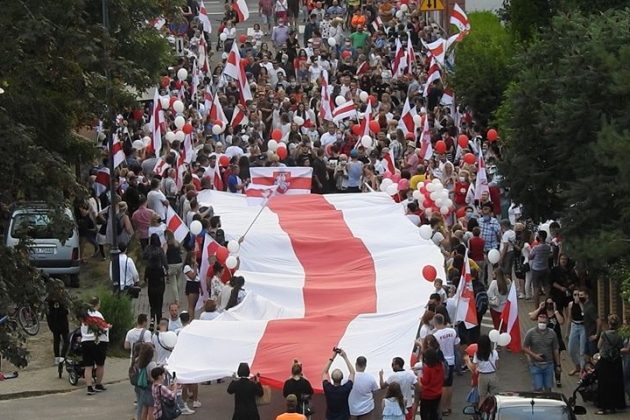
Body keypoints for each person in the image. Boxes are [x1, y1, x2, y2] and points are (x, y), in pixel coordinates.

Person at [529, 297, 565, 386]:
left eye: (551, 304)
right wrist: (540, 308)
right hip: (543, 340)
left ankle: (558, 378)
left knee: (556, 360)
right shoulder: (542, 313)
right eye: (547, 303)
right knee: (545, 359)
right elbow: (532, 317)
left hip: (555, 339)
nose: (549, 305)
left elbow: (561, 322)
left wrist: (556, 311)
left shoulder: (556, 312)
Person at [594, 314, 627, 415]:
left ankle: (603, 407)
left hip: (605, 361)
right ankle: (613, 406)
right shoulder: (620, 335)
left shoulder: (604, 334)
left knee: (604, 384)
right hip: (616, 361)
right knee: (614, 384)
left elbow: (599, 346)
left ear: (609, 323)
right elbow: (621, 346)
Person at [522, 312, 560, 392]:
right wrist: (534, 355)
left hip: (549, 365)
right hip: (535, 365)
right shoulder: (531, 333)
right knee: (537, 389)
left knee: (548, 389)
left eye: (543, 322)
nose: (542, 324)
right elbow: (524, 347)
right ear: (537, 322)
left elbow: (555, 349)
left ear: (547, 322)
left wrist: (558, 365)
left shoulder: (552, 333)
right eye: (540, 322)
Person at [431, 313, 459, 417]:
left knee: (443, 386)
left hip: (442, 362)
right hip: (451, 360)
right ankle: (449, 405)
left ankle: (443, 408)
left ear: (435, 322)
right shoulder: (452, 331)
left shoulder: (435, 335)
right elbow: (457, 344)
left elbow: (433, 350)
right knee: (449, 385)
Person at [80, 296, 109, 396]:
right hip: (98, 341)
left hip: (85, 341)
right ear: (97, 304)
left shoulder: (84, 315)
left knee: (88, 366)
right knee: (100, 364)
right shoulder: (98, 315)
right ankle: (98, 384)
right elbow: (103, 328)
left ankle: (89, 387)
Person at [323, 348, 356, 420]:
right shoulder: (346, 389)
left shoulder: (327, 388)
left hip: (330, 417)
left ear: (331, 378)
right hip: (344, 417)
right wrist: (345, 357)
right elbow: (352, 373)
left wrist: (333, 356)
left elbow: (325, 372)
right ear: (342, 378)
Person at [143, 233, 168, 324]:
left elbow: (144, 257)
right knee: (159, 301)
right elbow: (165, 262)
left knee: (152, 302)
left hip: (150, 275)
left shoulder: (148, 249)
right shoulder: (160, 250)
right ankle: (159, 321)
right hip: (159, 276)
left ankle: (152, 319)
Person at [46, 279, 70, 365]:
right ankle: (62, 358)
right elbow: (62, 311)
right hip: (62, 323)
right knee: (66, 340)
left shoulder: (48, 300)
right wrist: (67, 311)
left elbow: (48, 313)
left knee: (57, 340)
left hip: (54, 323)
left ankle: (57, 358)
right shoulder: (61, 299)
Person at [416, 347, 444, 420]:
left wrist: (419, 378)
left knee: (425, 414)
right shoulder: (440, 365)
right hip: (438, 393)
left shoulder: (428, 369)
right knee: (434, 413)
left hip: (427, 395)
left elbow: (424, 381)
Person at [472, 335, 499, 406]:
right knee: (494, 397)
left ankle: (481, 413)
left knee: (482, 397)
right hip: (492, 375)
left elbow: (474, 368)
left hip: (482, 376)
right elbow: (497, 366)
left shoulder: (477, 354)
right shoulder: (494, 352)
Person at [529, 230, 552, 308]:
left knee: (536, 289)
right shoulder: (548, 247)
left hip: (536, 269)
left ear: (540, 237)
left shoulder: (536, 248)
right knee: (546, 287)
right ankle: (548, 305)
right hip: (545, 268)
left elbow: (530, 257)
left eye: (538, 235)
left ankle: (536, 308)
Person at [133, 343, 157, 420]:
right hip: (150, 387)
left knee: (145, 408)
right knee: (151, 409)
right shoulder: (152, 364)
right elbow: (152, 378)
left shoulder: (139, 361)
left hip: (142, 386)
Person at [165, 230, 182, 305]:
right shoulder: (177, 243)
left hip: (171, 264)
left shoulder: (166, 245)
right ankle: (177, 296)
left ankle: (177, 300)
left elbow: (164, 255)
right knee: (178, 280)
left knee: (173, 283)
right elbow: (181, 252)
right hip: (179, 263)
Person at [182, 251, 201, 317]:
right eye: (193, 258)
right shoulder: (187, 267)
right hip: (191, 285)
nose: (194, 259)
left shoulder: (193, 266)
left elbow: (198, 277)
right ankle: (190, 319)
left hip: (196, 285)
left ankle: (193, 317)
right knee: (191, 305)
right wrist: (195, 268)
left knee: (194, 305)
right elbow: (192, 277)